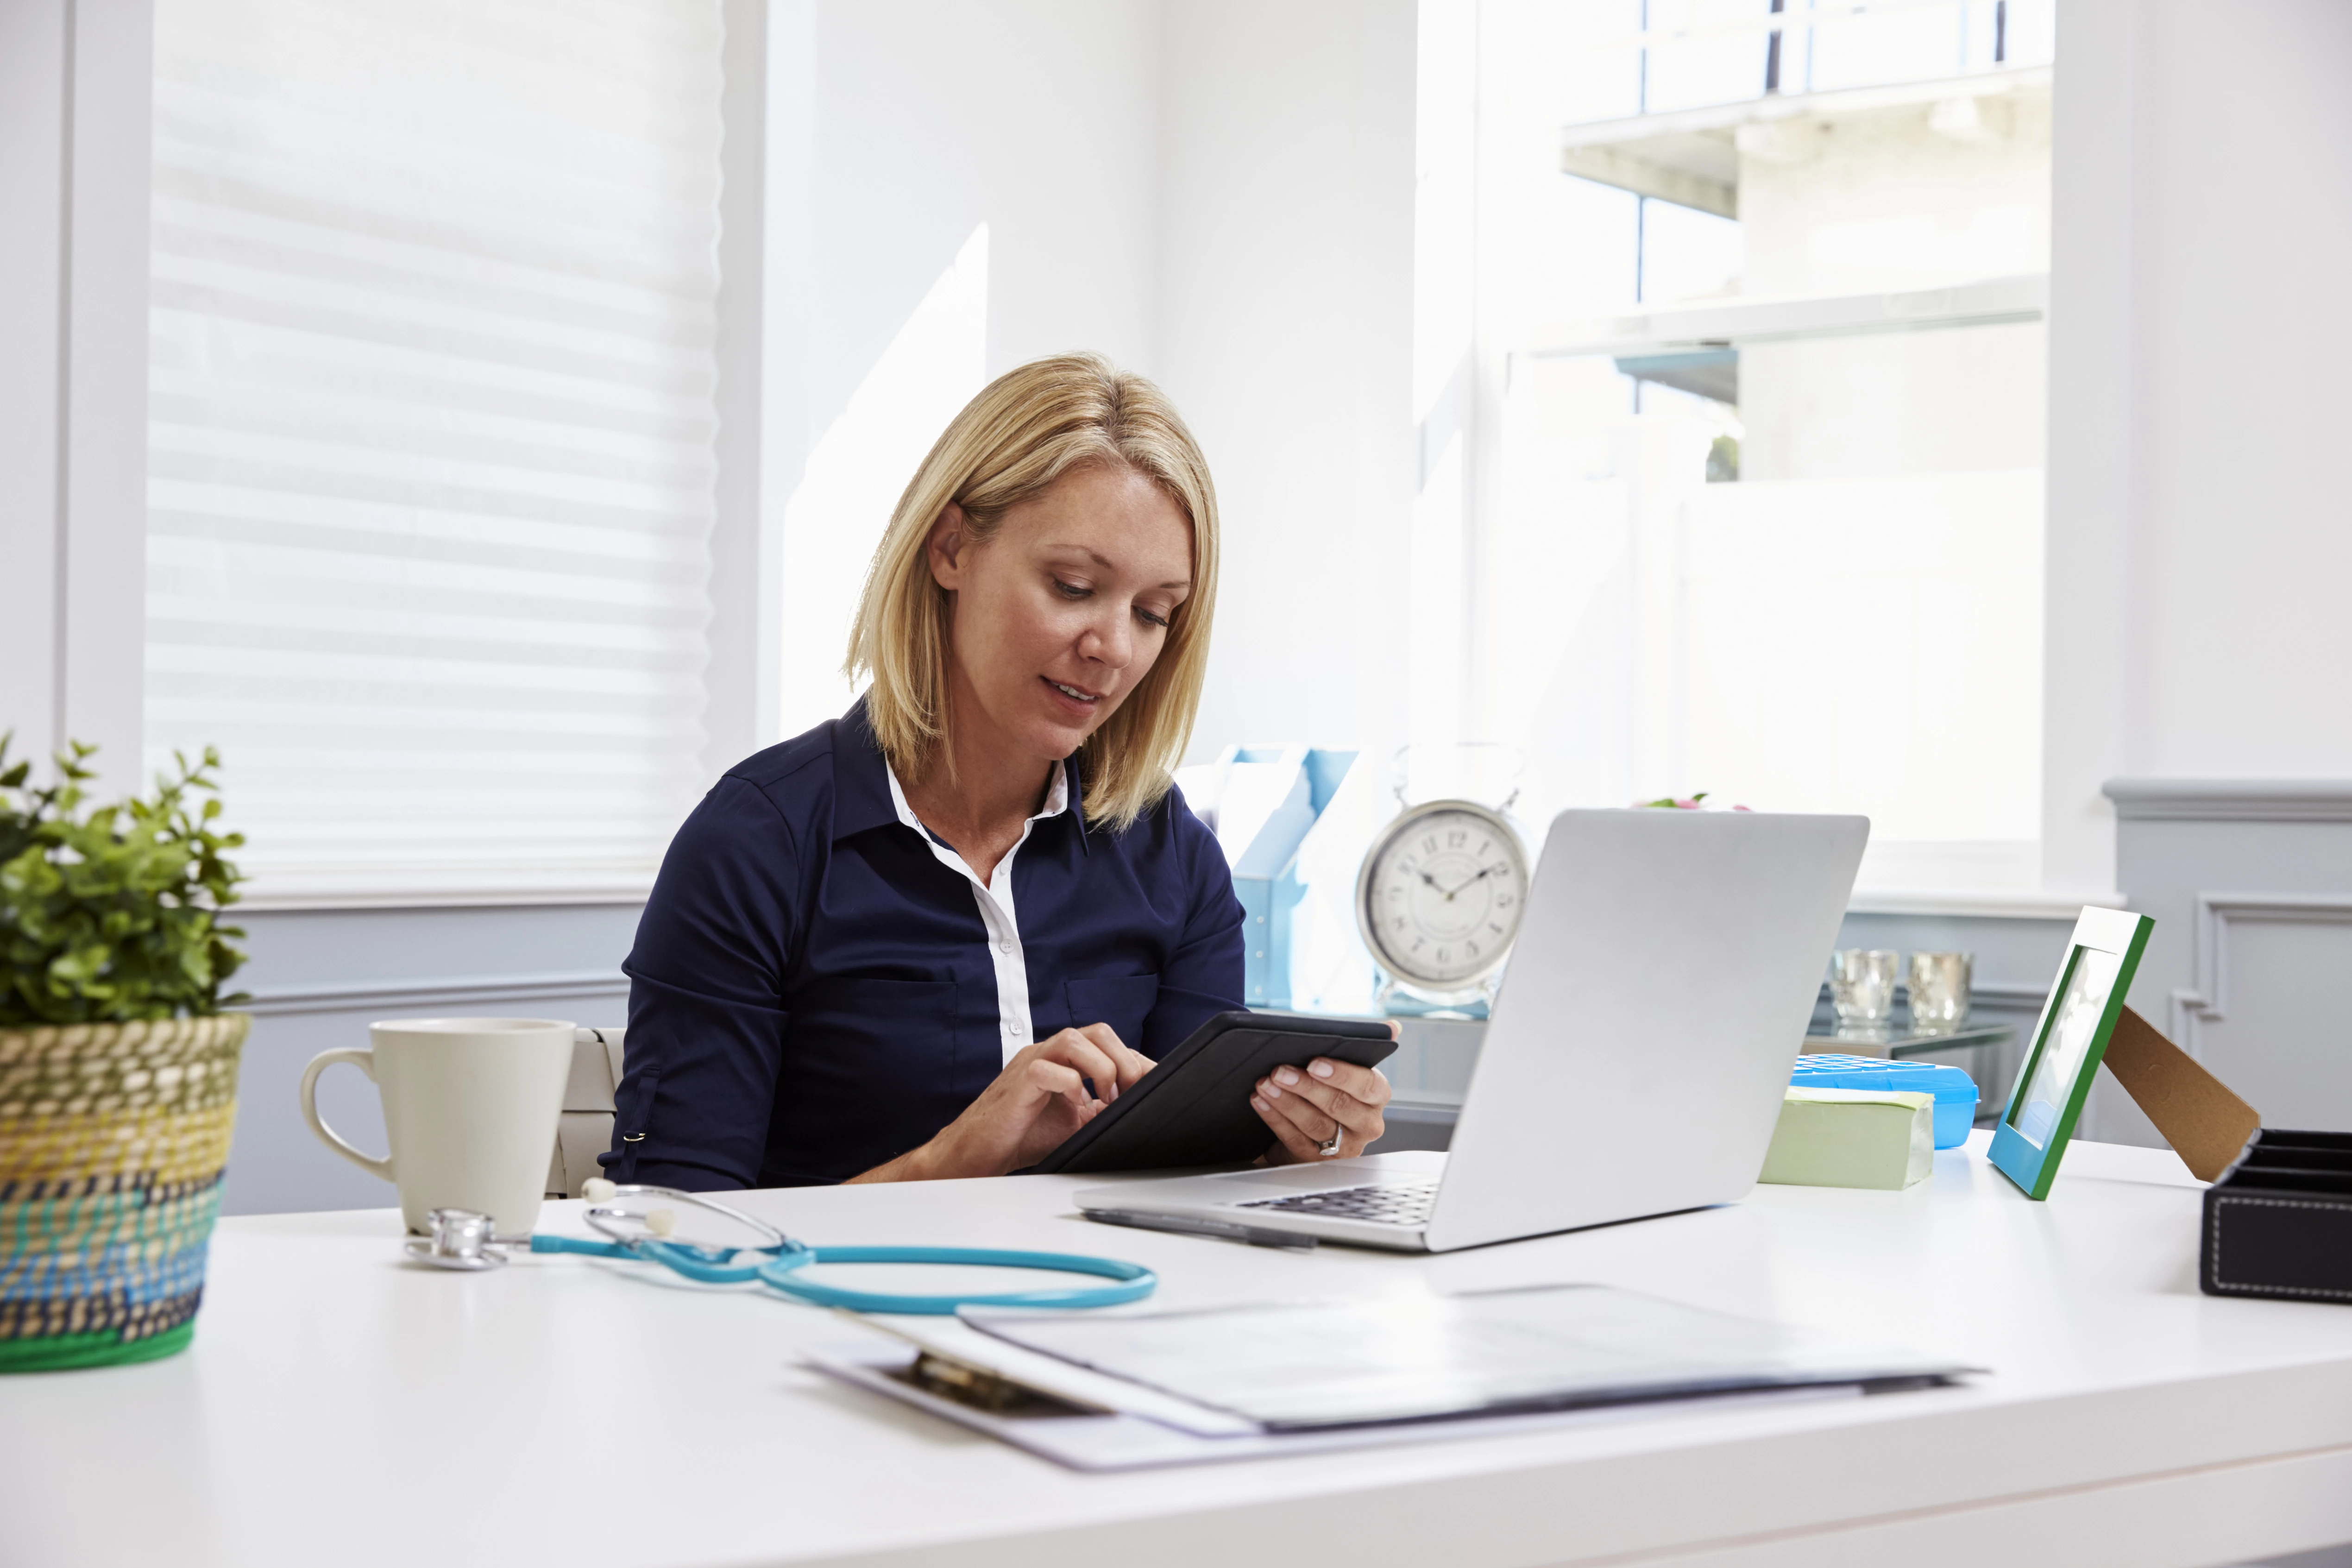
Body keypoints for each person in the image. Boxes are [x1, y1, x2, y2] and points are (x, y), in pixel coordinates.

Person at [604, 354, 1391, 1189]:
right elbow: (672, 1235)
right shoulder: (758, 843)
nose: (1114, 648)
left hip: (1108, 1314)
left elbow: (1186, 1181)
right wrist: (950, 1160)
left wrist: (1285, 1144)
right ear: (950, 549)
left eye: (1153, 613)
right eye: (1073, 585)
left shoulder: (1170, 853)